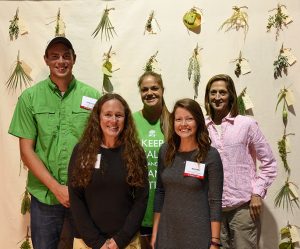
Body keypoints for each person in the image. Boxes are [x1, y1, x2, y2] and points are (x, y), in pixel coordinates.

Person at [8, 36, 100, 249]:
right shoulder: (30, 98)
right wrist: (57, 188)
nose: (61, 61)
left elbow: (99, 147)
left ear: (74, 59)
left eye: (66, 56)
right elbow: (26, 151)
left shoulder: (93, 97)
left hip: (84, 197)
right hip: (45, 198)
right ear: (46, 60)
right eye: (55, 56)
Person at [204, 74, 277, 249]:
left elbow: (269, 162)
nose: (217, 97)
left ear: (231, 96)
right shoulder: (201, 128)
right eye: (213, 92)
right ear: (207, 97)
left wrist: (257, 193)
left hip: (243, 208)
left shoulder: (247, 124)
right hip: (212, 209)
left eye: (222, 92)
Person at [68, 93, 149, 249]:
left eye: (119, 115)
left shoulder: (135, 152)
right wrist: (97, 243)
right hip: (87, 243)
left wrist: (120, 240)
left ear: (126, 119)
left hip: (125, 242)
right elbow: (75, 197)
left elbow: (141, 199)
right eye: (108, 115)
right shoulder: (82, 151)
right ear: (98, 117)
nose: (113, 121)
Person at [151, 98, 224, 249]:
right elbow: (160, 192)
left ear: (198, 121)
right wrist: (155, 233)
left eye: (189, 119)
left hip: (198, 234)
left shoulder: (210, 155)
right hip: (167, 233)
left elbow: (215, 201)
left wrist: (215, 242)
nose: (183, 124)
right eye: (178, 119)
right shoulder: (166, 151)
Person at [133, 72, 169, 249]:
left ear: (163, 90)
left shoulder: (175, 121)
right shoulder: (131, 121)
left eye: (154, 88)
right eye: (144, 89)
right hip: (139, 206)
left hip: (168, 206)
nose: (150, 92)